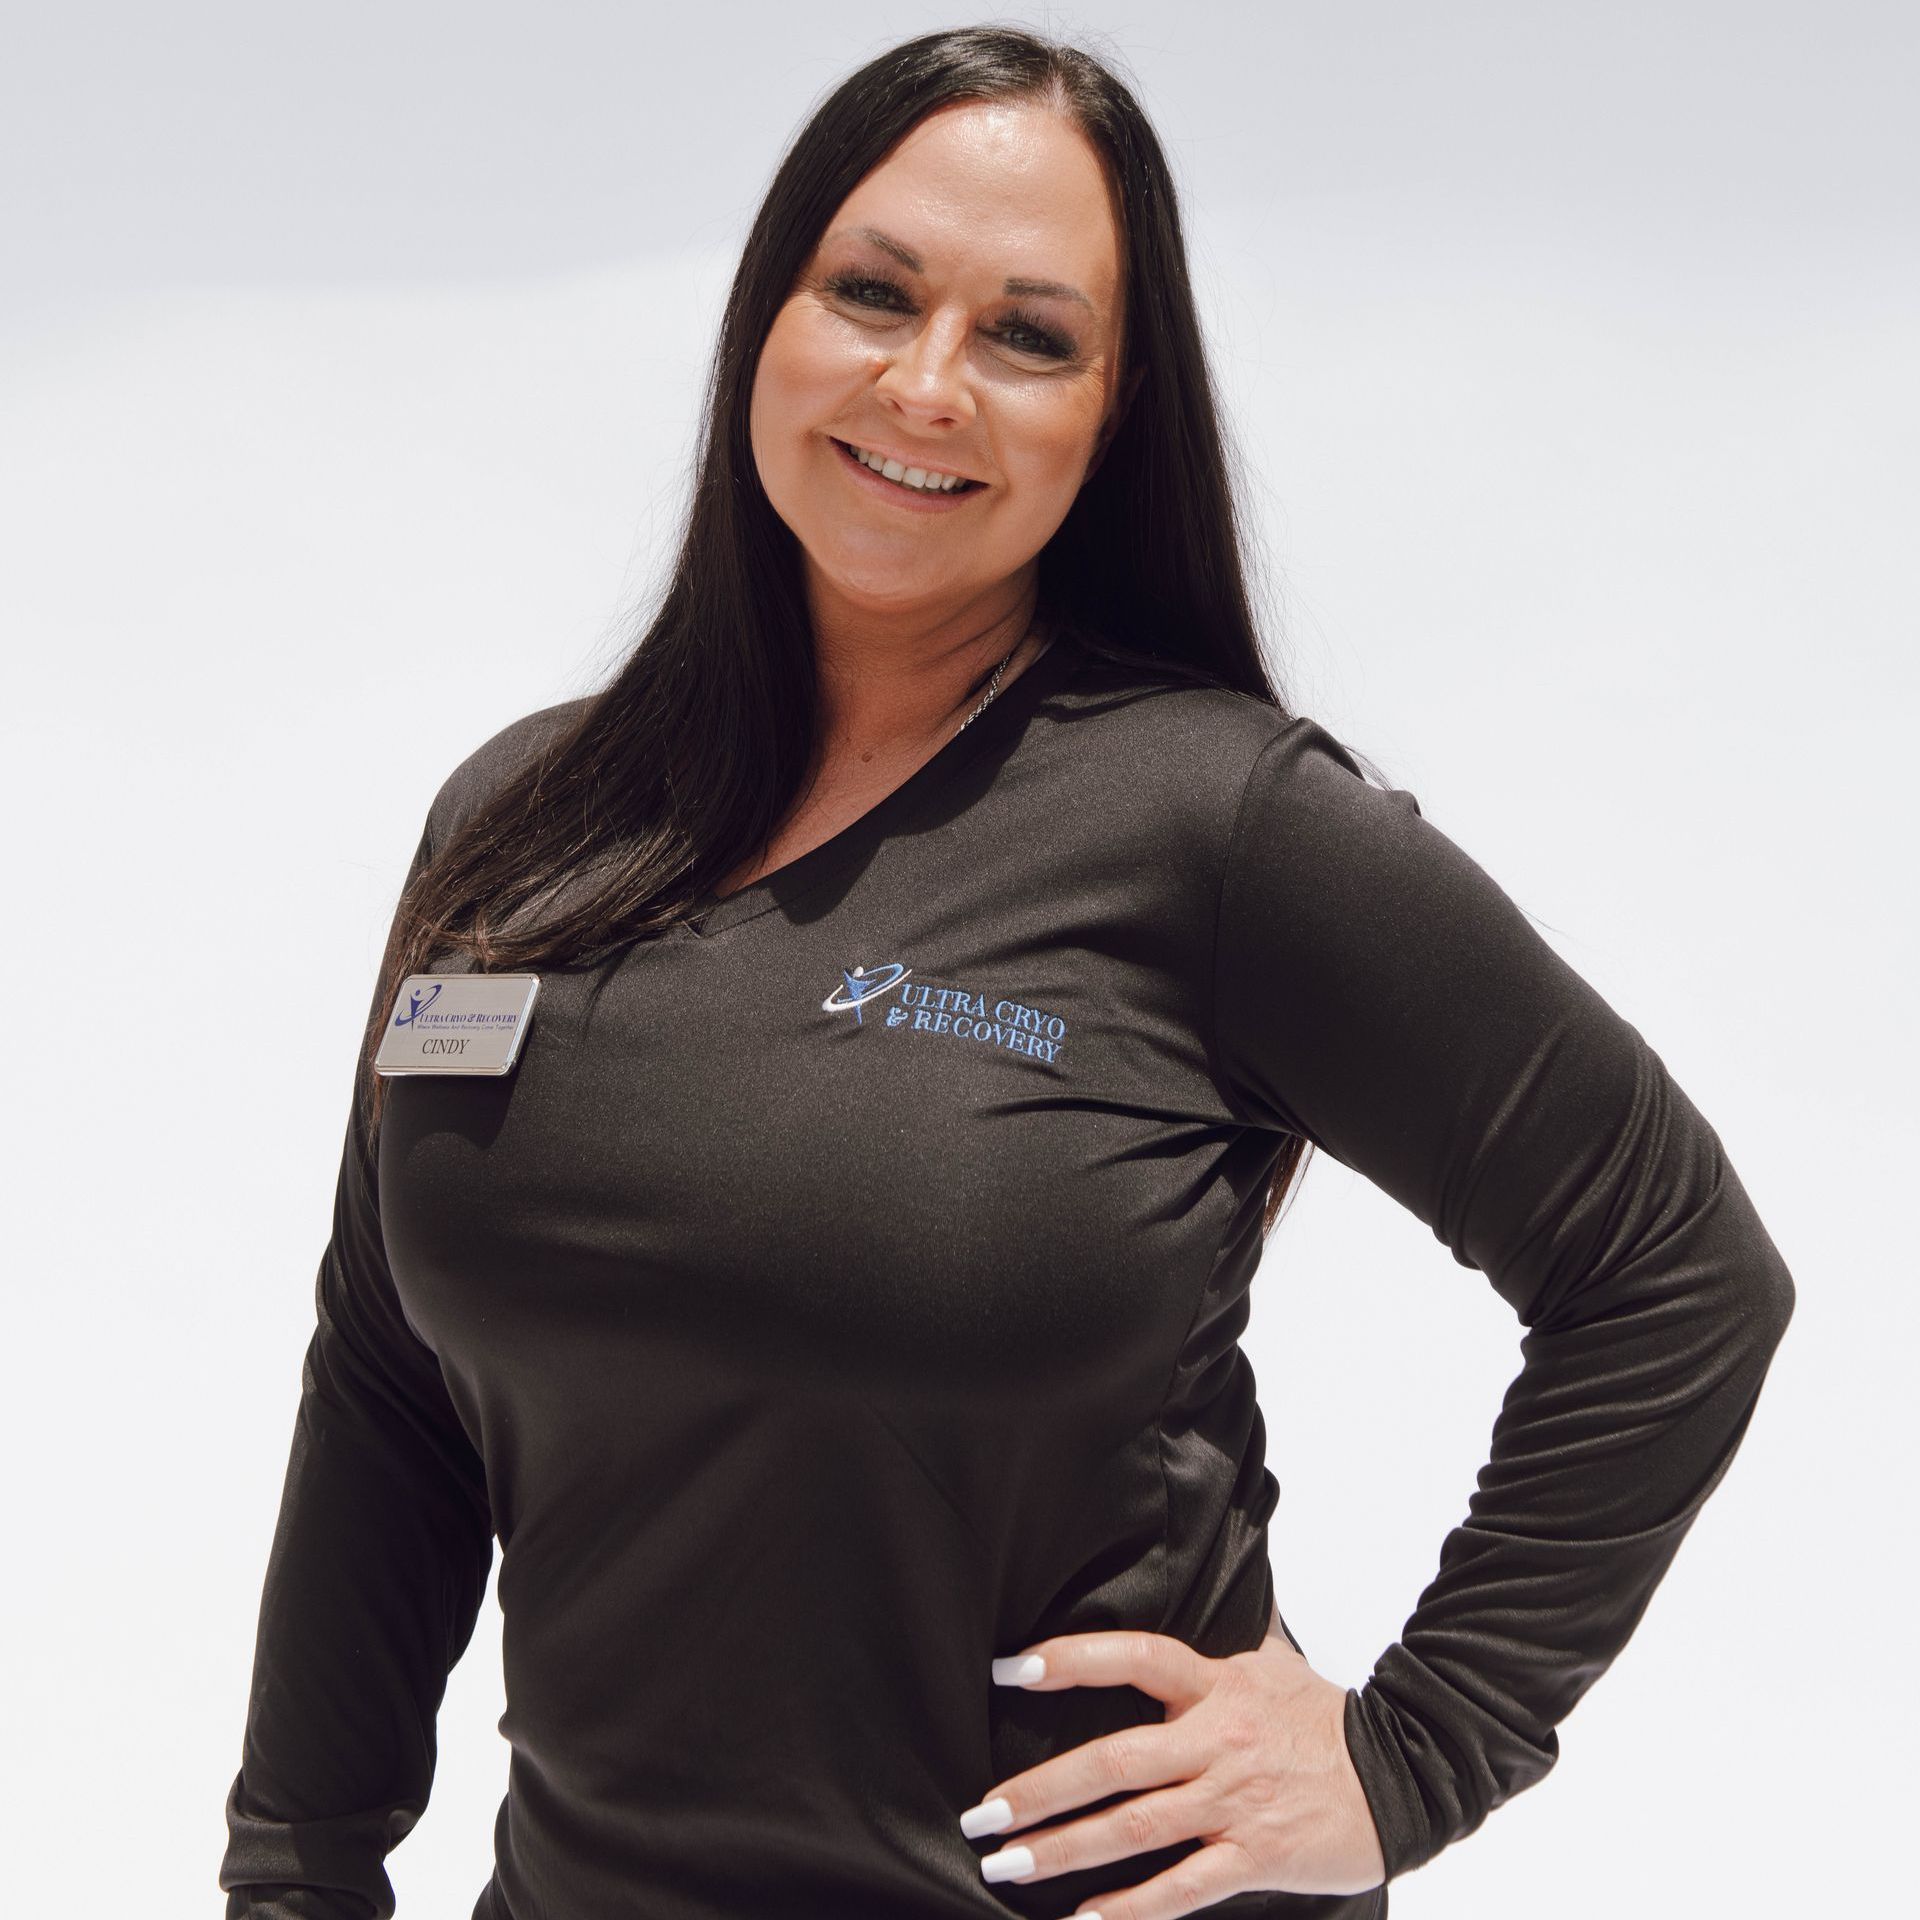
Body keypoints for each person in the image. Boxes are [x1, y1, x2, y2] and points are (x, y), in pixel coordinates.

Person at [218, 26, 1795, 1920]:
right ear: (765, 322)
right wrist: (296, 1883)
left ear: (1112, 412)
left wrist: (1420, 1752)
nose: (926, 383)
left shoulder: (1222, 824)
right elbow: (388, 1390)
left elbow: (1675, 1271)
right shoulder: (523, 822)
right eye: (870, 293)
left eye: (1029, 336)